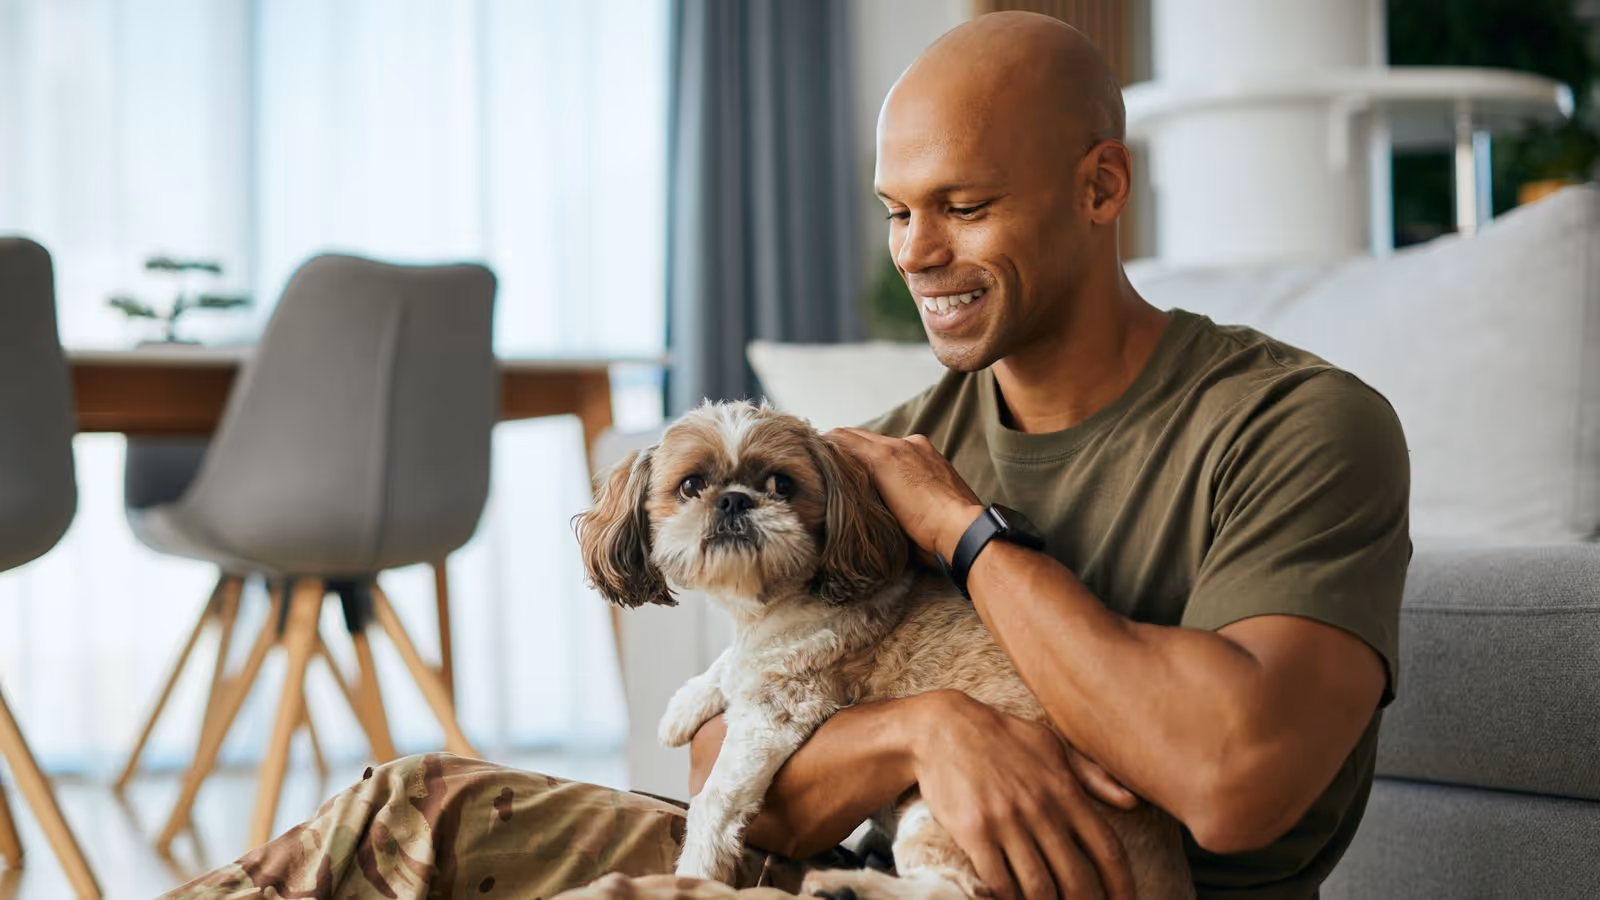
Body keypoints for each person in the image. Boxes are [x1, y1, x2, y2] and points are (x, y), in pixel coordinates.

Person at [162, 11, 1408, 900]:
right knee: (409, 809)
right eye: (896, 212)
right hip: (855, 864)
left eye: (963, 207)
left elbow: (1237, 779)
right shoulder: (903, 437)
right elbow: (726, 757)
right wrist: (926, 733)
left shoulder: (1295, 426)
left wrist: (970, 541)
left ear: (1098, 187)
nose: (915, 252)